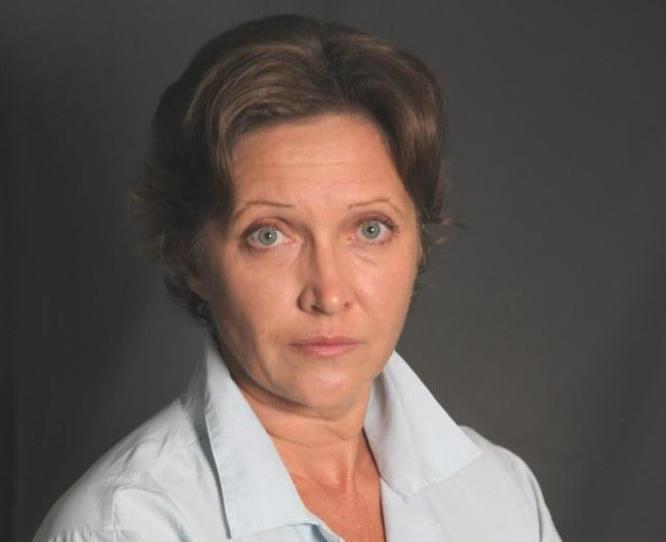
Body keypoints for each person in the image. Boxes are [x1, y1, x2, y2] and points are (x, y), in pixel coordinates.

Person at [34, 14, 561, 542]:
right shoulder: (122, 528)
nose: (328, 293)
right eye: (269, 235)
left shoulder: (501, 493)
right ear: (191, 259)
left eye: (370, 229)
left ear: (419, 242)